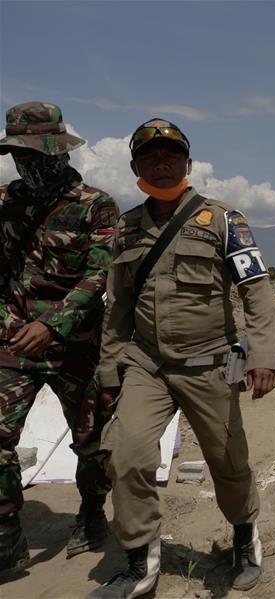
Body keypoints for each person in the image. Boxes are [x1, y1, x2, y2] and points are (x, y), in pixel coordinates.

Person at [89, 118, 275, 598]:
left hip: (209, 363)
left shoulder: (223, 220)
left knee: (228, 462)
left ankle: (245, 536)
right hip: (147, 366)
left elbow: (256, 290)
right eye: (150, 156)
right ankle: (141, 560)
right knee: (126, 456)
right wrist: (110, 370)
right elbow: (117, 308)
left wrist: (263, 354)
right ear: (135, 167)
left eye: (171, 155)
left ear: (188, 163)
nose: (162, 163)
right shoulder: (127, 228)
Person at [0, 102, 118, 574]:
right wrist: (8, 322)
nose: (25, 165)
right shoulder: (4, 203)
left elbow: (98, 274)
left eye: (33, 156)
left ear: (57, 152)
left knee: (92, 441)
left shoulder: (94, 204)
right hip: (13, 343)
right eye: (18, 156)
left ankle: (91, 512)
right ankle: (7, 535)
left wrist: (53, 325)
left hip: (77, 345)